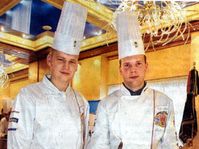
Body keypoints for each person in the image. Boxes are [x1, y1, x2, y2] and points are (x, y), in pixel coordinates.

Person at [87, 11, 178, 149]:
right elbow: (98, 145)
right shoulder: (106, 105)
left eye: (138, 63)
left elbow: (170, 144)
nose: (133, 70)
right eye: (127, 65)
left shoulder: (164, 102)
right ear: (120, 69)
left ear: (146, 66)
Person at [8, 2, 89, 149]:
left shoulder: (82, 102)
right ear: (50, 59)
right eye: (61, 59)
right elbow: (17, 145)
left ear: (77, 66)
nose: (66, 66)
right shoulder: (28, 96)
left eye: (72, 61)